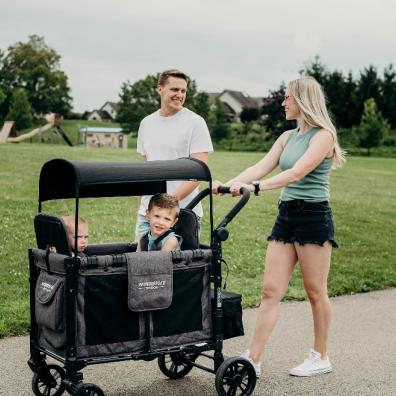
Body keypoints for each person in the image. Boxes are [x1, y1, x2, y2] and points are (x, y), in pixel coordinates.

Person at [212, 76, 345, 378]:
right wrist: (229, 183)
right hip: (286, 215)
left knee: (315, 291)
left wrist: (256, 187)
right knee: (271, 289)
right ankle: (254, 359)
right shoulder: (287, 137)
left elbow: (297, 173)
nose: (284, 103)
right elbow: (260, 166)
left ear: (303, 100)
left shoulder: (324, 136)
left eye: (288, 98)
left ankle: (320, 356)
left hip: (313, 216)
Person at [135, 69, 213, 241]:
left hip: (183, 212)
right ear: (160, 89)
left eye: (183, 91)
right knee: (139, 264)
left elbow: (199, 171)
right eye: (174, 89)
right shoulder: (146, 123)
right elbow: (143, 170)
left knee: (178, 266)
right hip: (148, 214)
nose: (180, 95)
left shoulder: (195, 123)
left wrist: (169, 204)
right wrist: (141, 208)